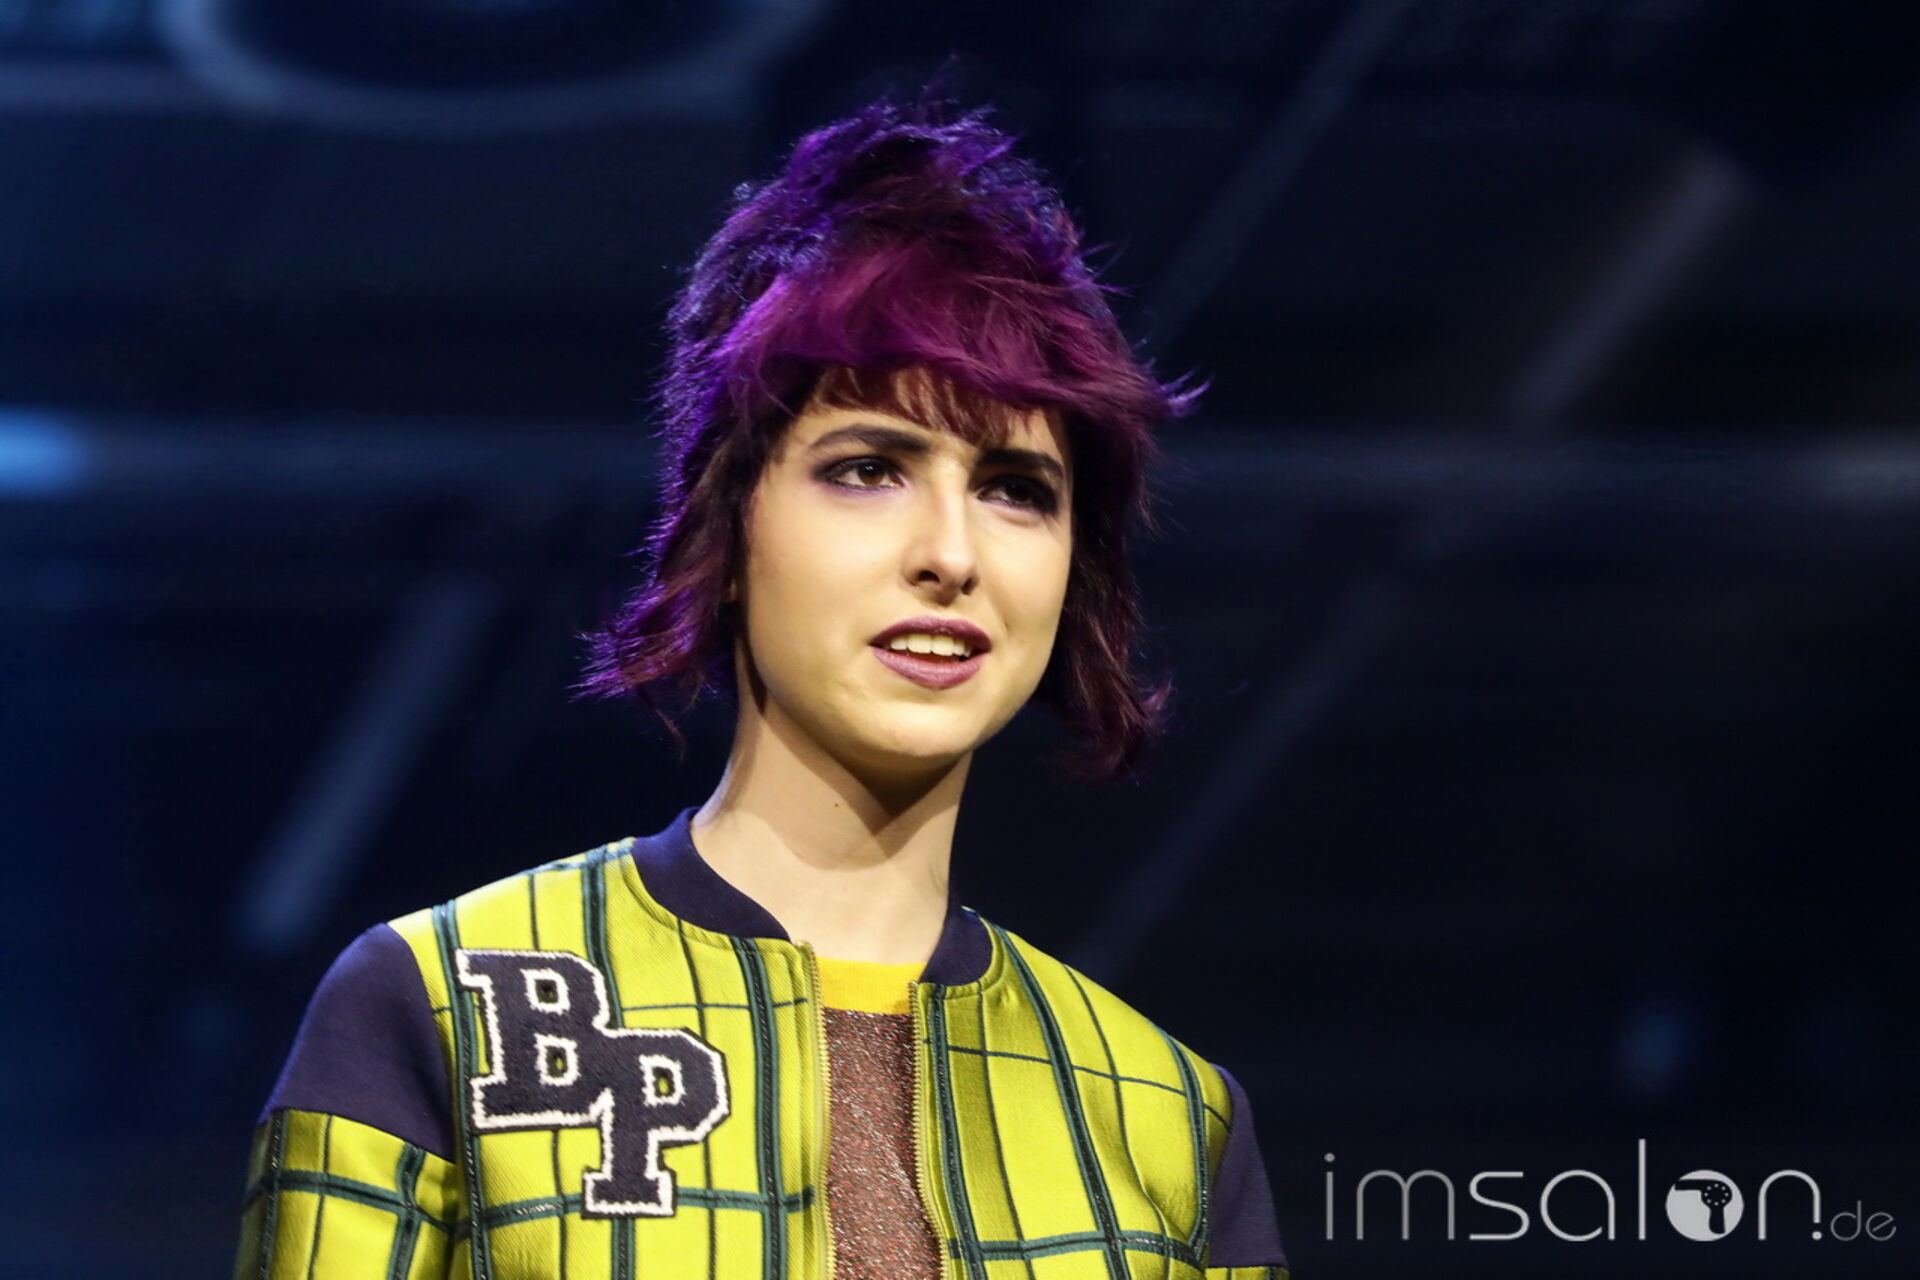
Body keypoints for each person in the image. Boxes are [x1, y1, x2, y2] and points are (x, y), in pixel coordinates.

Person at [234, 90, 1291, 1280]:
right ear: (726, 528)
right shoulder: (441, 1003)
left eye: (1016, 489)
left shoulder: (1166, 1116)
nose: (952, 552)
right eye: (868, 468)